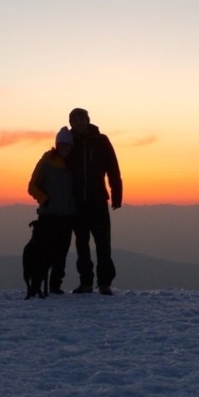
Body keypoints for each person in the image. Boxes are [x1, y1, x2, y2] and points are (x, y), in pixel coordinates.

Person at [65, 107, 122, 295]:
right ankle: (86, 282)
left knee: (103, 243)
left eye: (82, 119)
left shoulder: (101, 141)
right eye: (75, 120)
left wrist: (117, 194)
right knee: (82, 244)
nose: (79, 123)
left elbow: (113, 168)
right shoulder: (69, 142)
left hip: (98, 199)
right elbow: (60, 169)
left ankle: (104, 283)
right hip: (76, 202)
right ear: (71, 123)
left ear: (88, 120)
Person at [26, 127, 78, 295]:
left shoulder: (74, 164)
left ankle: (55, 285)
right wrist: (44, 199)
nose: (64, 148)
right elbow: (32, 186)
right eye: (62, 144)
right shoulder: (46, 161)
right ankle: (37, 285)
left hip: (68, 215)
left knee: (61, 252)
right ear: (57, 145)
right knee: (41, 251)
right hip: (48, 215)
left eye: (68, 145)